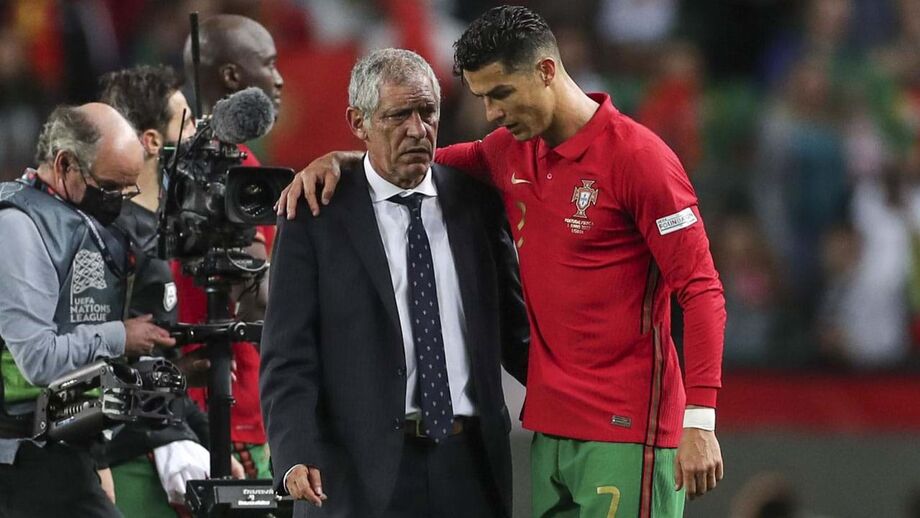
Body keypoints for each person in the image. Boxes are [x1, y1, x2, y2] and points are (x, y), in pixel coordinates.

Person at [277, 5, 726, 516]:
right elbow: (408, 166)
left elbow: (701, 289)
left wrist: (700, 418)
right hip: (551, 432)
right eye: (482, 97)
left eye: (502, 93)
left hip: (627, 428)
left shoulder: (640, 160)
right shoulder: (508, 153)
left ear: (546, 70)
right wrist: (342, 160)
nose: (492, 112)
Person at [259, 48, 529, 518]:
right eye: (398, 115)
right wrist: (294, 452)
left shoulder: (478, 205)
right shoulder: (315, 213)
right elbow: (288, 354)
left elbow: (515, 335)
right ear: (358, 122)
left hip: (469, 467)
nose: (417, 129)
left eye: (428, 112)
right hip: (356, 473)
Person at [0, 103, 176, 517]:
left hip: (65, 441)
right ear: (65, 165)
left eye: (128, 189)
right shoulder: (18, 228)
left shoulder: (76, 220)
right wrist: (120, 337)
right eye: (111, 187)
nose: (120, 201)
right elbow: (38, 360)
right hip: (23, 455)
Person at [98, 64, 244, 516]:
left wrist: (207, 440)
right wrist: (174, 437)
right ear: (151, 141)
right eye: (188, 121)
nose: (199, 133)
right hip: (128, 460)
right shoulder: (112, 237)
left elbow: (155, 363)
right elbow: (93, 360)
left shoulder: (155, 232)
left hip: (157, 443)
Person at [177, 13, 284, 479]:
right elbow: (259, 301)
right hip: (233, 412)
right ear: (232, 76)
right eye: (269, 64)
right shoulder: (240, 172)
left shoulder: (170, 165)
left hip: (171, 410)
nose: (279, 79)